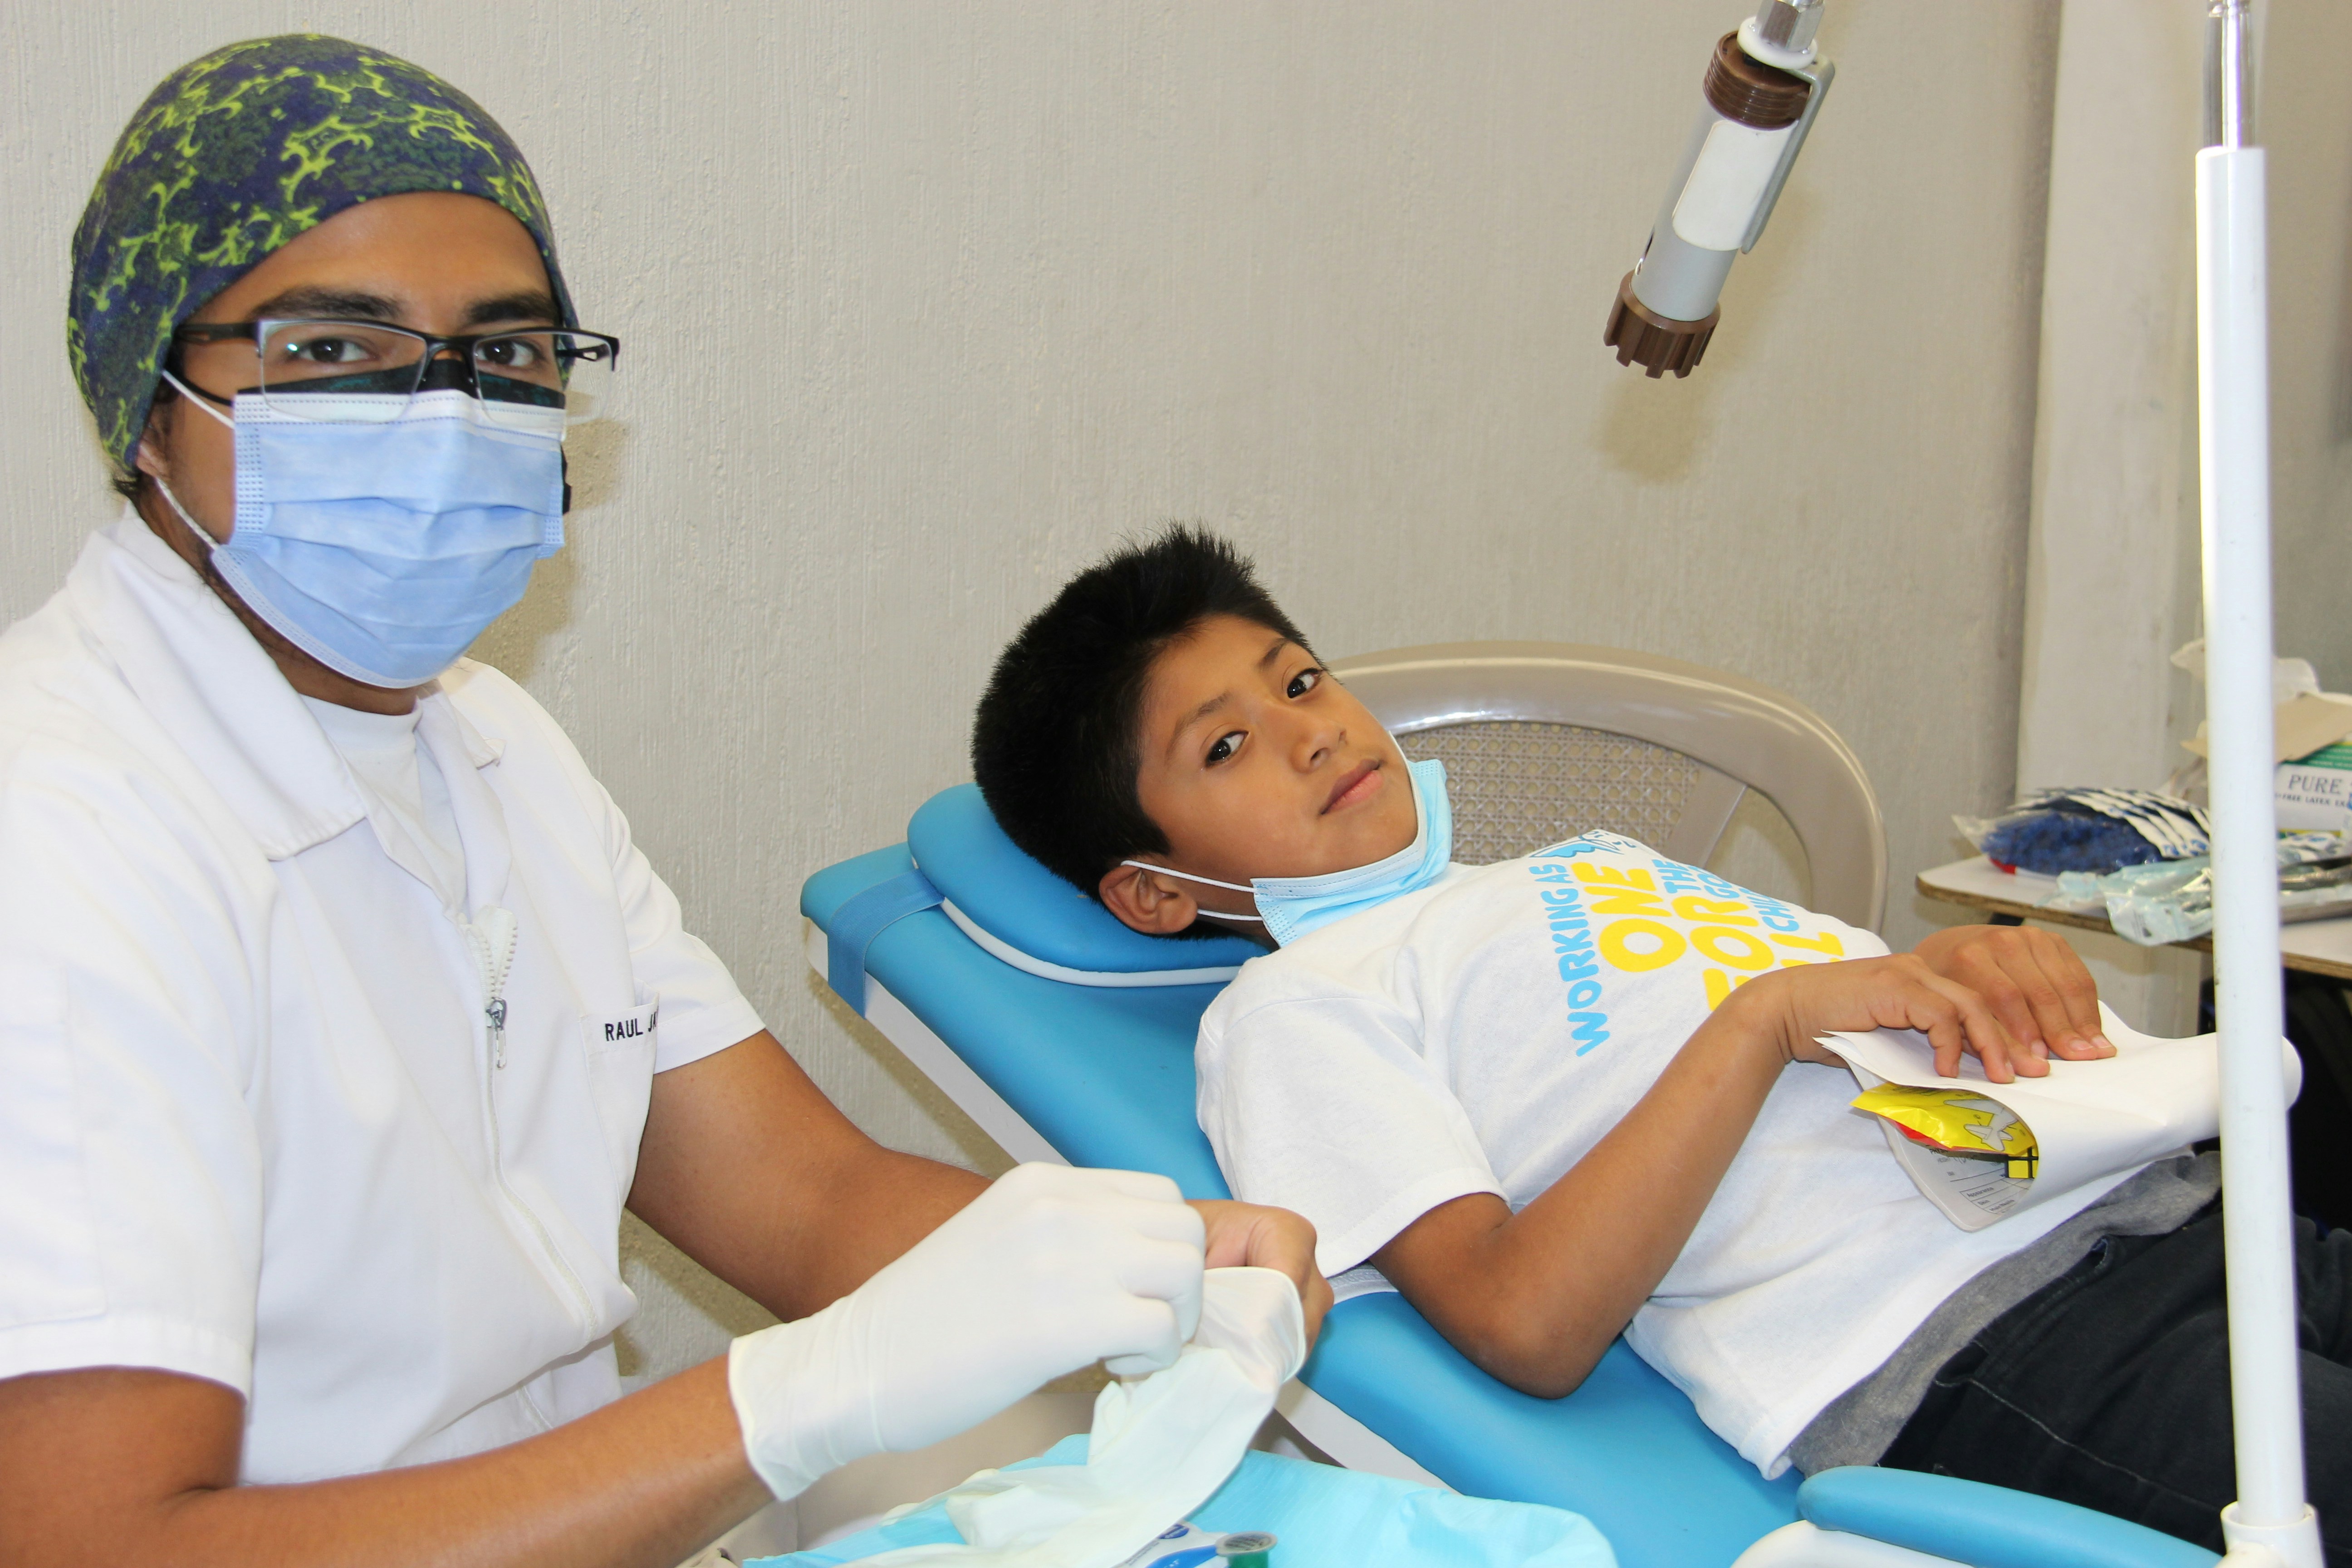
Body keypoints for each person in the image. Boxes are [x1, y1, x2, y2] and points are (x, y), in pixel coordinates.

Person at [0, 40, 1328, 1568]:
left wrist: (1155, 1248)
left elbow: (812, 1200)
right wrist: (795, 1401)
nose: (443, 421)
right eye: (331, 353)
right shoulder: (65, 841)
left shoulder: (489, 747)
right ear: (150, 404)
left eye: (507, 357)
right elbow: (98, 1543)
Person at [969, 525, 2352, 1561]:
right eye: (1225, 749)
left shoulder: (1581, 864)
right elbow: (1524, 1322)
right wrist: (1761, 1024)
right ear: (1155, 893)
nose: (1313, 734)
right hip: (1973, 1343)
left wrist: (1962, 975)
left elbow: (1853, 1027)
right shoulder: (1296, 1012)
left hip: (2172, 1208)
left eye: (1303, 681)